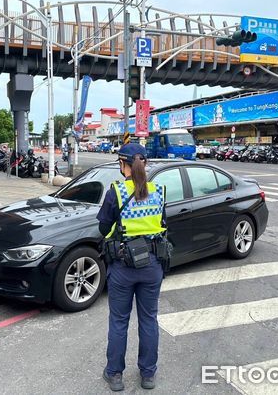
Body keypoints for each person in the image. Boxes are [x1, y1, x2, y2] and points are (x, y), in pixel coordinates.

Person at [97, 143, 169, 391]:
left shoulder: (115, 192)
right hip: (152, 265)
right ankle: (148, 374)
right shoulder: (159, 190)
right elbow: (162, 223)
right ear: (144, 164)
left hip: (123, 266)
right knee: (149, 319)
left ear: (122, 164)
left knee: (119, 321)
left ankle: (114, 375)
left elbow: (103, 228)